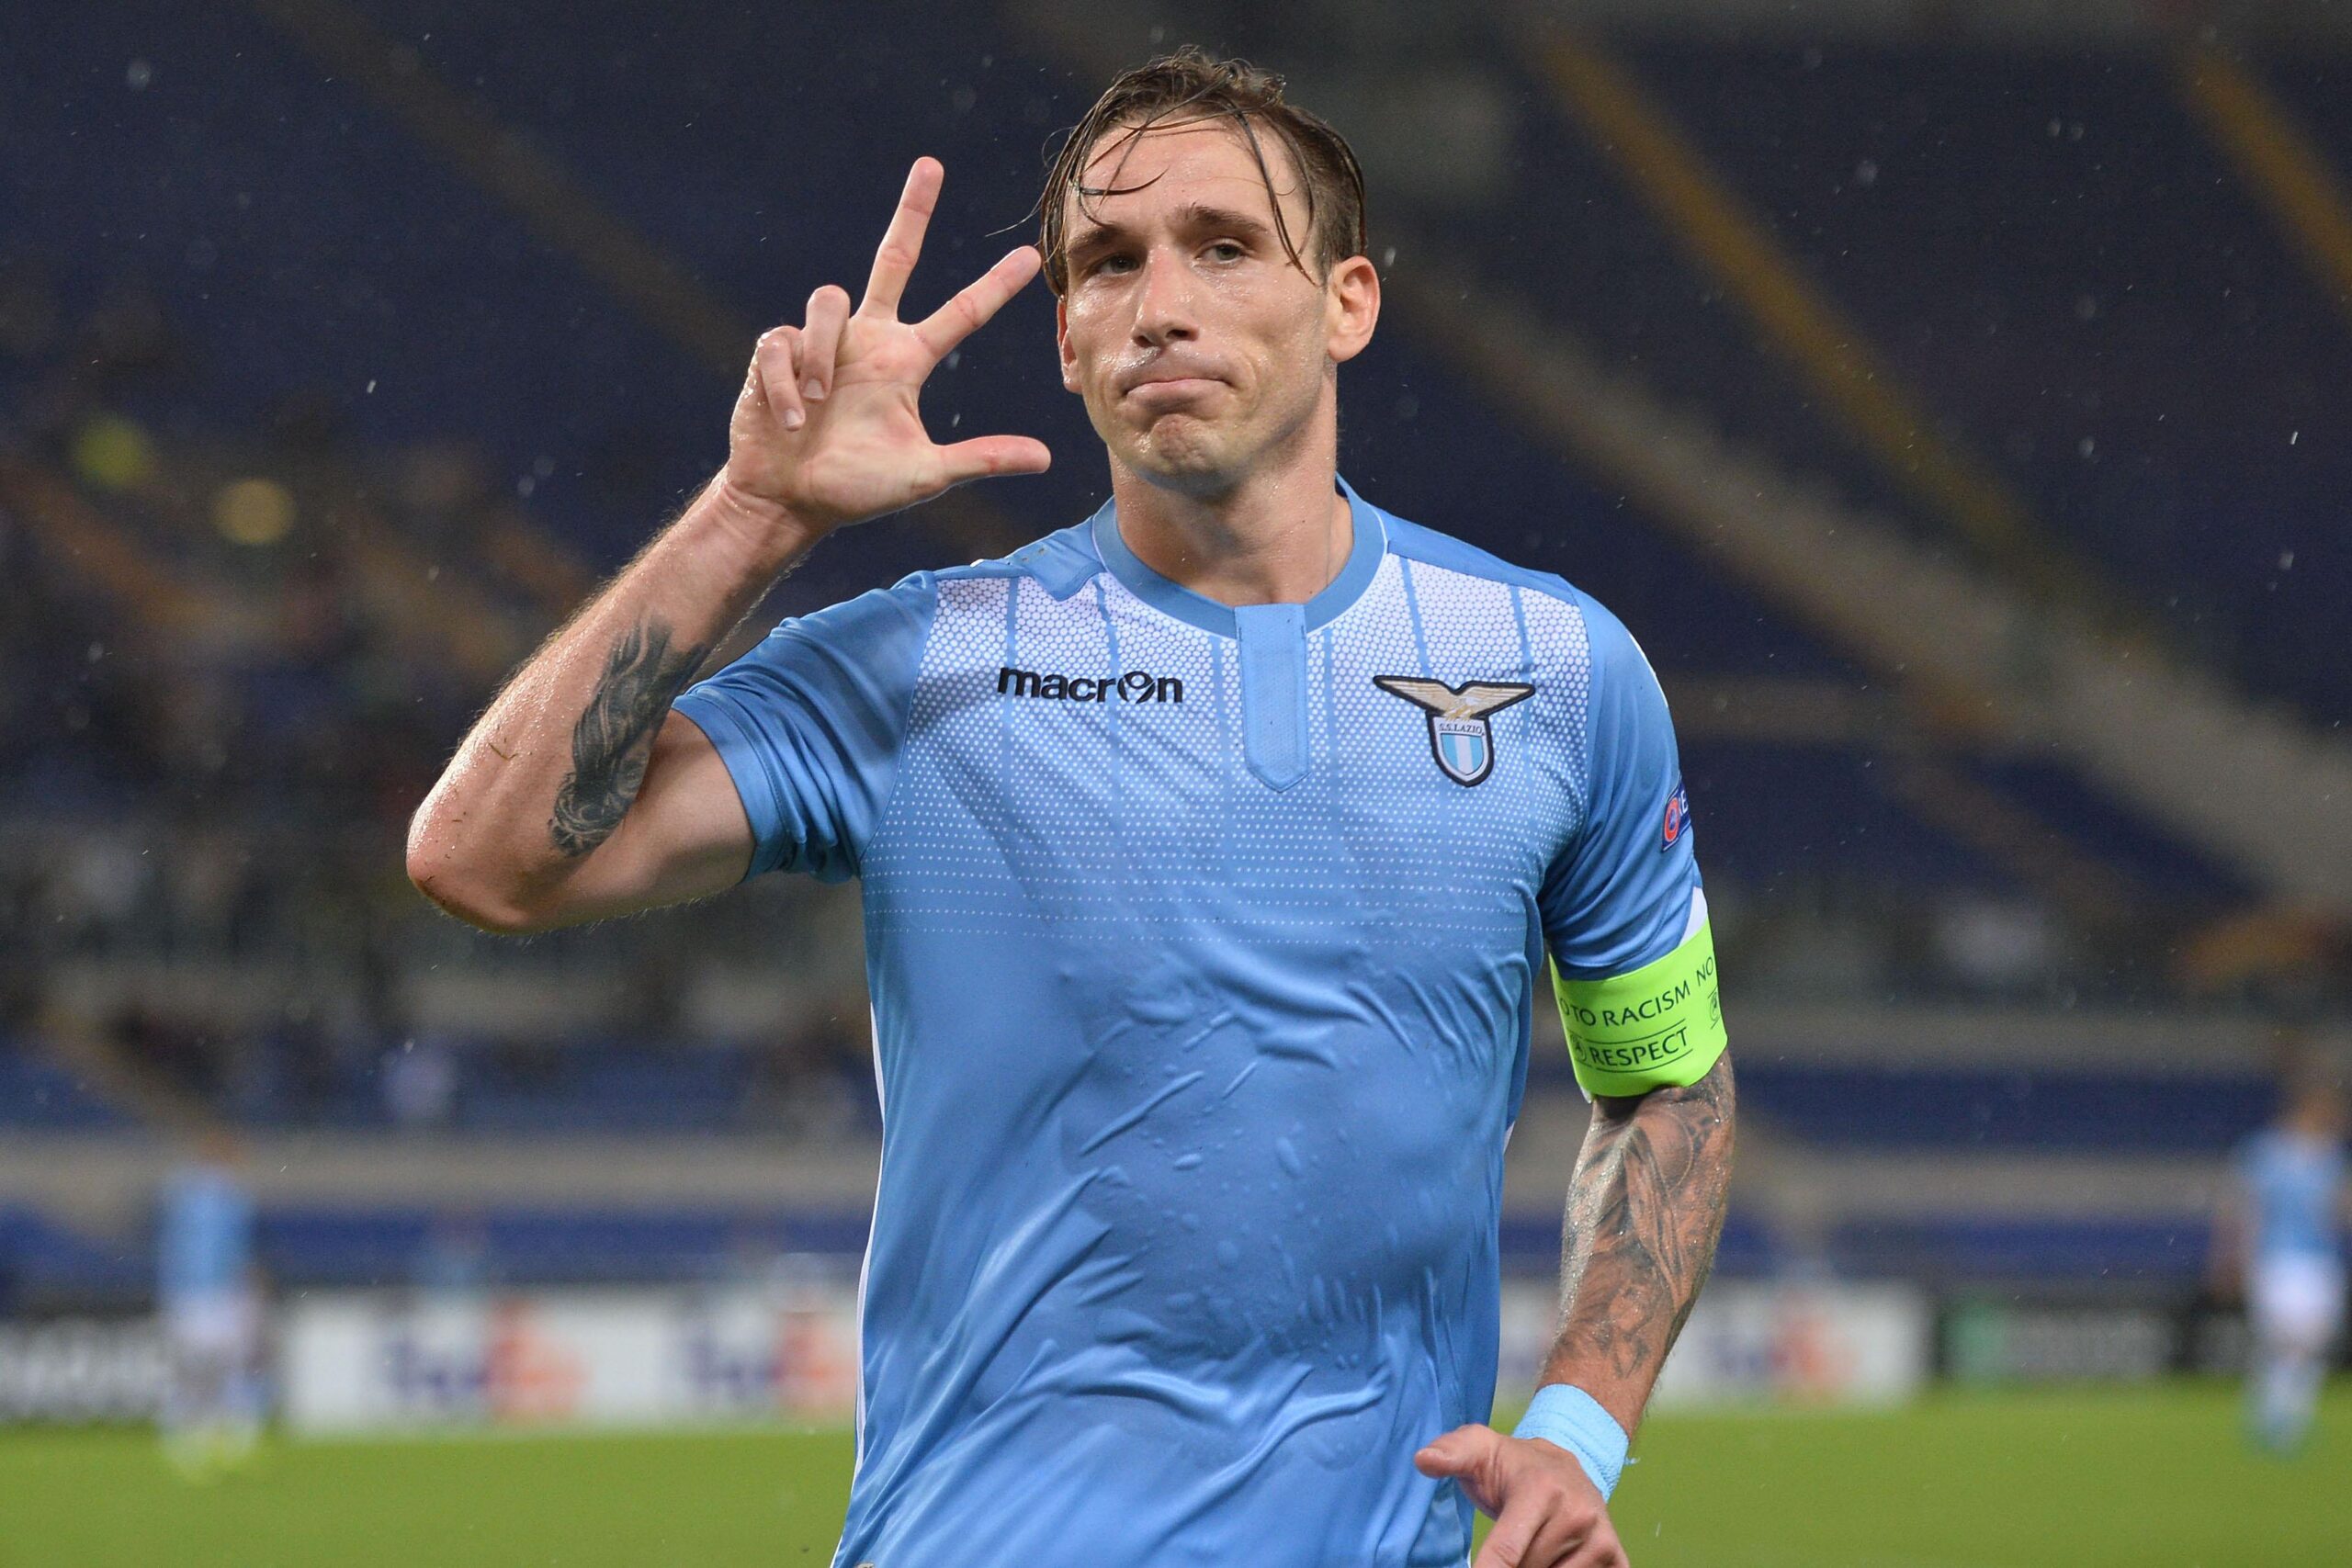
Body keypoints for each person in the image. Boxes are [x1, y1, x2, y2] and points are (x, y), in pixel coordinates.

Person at [408, 50, 1734, 1568]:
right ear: (1066, 338)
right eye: (1108, 262)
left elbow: (1666, 1085)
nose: (1160, 303)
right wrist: (755, 512)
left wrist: (1579, 1426)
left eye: (1224, 246)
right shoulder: (926, 662)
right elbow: (485, 858)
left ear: (1348, 303)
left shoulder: (1560, 672)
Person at [2213, 1061, 2346, 1454]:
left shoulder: (2330, 1157)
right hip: (2276, 1258)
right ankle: (2274, 1417)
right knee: (2286, 1339)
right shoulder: (2265, 1152)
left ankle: (2285, 1417)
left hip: (2320, 1260)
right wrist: (2231, 1257)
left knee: (2312, 1340)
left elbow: (2338, 1211)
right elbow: (2243, 1209)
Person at [156, 1130, 265, 1475]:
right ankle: (233, 1435)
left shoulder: (181, 1192)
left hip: (185, 1293)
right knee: (229, 1365)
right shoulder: (229, 1197)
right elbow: (236, 1251)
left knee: (194, 1368)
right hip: (216, 1294)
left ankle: (185, 1437)